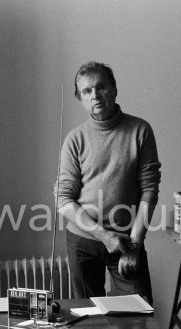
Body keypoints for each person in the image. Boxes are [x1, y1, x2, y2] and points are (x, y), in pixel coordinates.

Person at [55, 61, 161, 304]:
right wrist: (103, 235)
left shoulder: (140, 131)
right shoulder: (75, 139)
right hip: (83, 240)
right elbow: (63, 200)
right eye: (86, 91)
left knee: (139, 316)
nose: (95, 95)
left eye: (100, 87)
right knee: (89, 320)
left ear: (114, 89)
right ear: (80, 98)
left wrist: (134, 246)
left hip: (127, 240)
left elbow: (149, 191)